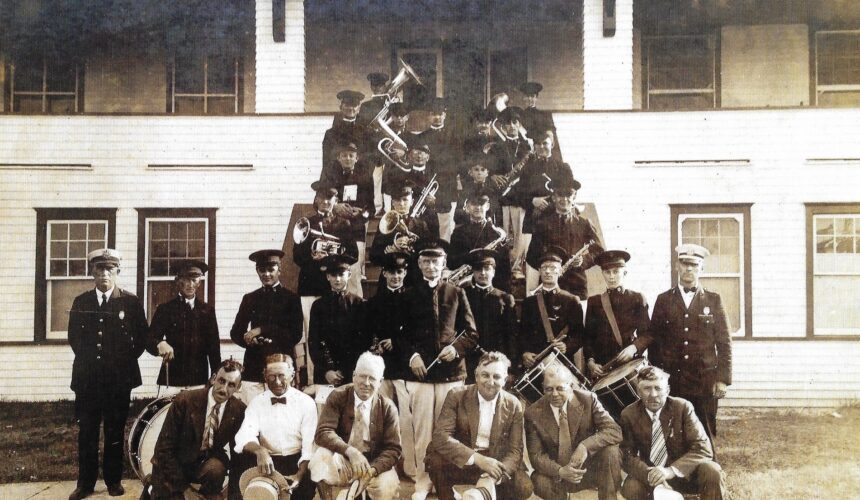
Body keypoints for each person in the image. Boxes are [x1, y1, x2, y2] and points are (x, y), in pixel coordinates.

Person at [400, 239, 479, 499]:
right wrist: (412, 357)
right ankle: (423, 481)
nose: (431, 266)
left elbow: (471, 333)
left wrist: (456, 350)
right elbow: (399, 335)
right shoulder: (408, 295)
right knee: (423, 430)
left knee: (449, 431)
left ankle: (446, 480)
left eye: (436, 262)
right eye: (426, 261)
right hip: (421, 375)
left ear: (443, 264)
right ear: (419, 264)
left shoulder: (457, 292)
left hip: (451, 375)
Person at [68, 249, 148, 500]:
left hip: (118, 381)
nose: (104, 274)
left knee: (115, 431)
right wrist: (95, 366)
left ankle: (114, 481)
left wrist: (119, 364)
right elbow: (75, 340)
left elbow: (141, 339)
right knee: (88, 432)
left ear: (117, 272)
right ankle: (85, 484)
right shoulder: (81, 302)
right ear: (92, 272)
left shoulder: (130, 302)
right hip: (88, 380)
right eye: (100, 269)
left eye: (109, 269)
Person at [643, 244, 732, 446]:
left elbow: (724, 343)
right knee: (671, 429)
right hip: (672, 379)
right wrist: (658, 375)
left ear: (702, 268)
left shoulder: (713, 300)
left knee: (705, 429)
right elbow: (654, 340)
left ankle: (710, 471)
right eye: (684, 264)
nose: (688, 269)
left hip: (704, 380)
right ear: (677, 266)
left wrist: (723, 379)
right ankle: (673, 474)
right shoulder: (664, 300)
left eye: (694, 264)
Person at [425, 352, 533, 500]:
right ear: (476, 376)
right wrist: (478, 459)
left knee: (523, 486)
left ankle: (481, 494)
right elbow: (441, 437)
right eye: (485, 375)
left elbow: (515, 451)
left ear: (505, 380)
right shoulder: (456, 395)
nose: (490, 381)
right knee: (435, 461)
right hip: (465, 459)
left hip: (494, 462)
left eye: (496, 377)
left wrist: (492, 476)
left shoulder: (513, 404)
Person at [619, 366, 726, 500]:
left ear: (667, 390)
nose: (653, 394)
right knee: (631, 487)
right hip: (650, 477)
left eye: (658, 388)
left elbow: (703, 448)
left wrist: (670, 471)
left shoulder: (682, 408)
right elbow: (626, 455)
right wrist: (650, 474)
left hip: (684, 474)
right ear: (638, 391)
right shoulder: (629, 414)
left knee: (712, 471)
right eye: (647, 388)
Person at [149, 359, 246, 500]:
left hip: (203, 466)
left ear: (238, 387)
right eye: (221, 381)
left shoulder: (239, 410)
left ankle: (209, 493)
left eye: (231, 385)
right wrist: (185, 490)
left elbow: (238, 456)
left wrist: (235, 496)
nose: (224, 389)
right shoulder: (184, 401)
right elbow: (163, 450)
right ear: (213, 379)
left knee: (216, 468)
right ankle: (153, 488)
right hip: (172, 466)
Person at [309, 352, 401, 500]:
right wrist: (350, 452)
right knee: (320, 458)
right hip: (345, 458)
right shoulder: (338, 396)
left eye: (372, 378)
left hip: (374, 463)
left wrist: (372, 470)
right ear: (353, 376)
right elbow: (323, 432)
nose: (366, 382)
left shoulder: (388, 407)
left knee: (388, 486)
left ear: (381, 381)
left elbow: (394, 449)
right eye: (362, 376)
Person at [524, 363, 622, 500]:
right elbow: (536, 456)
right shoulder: (532, 412)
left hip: (588, 470)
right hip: (559, 474)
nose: (554, 394)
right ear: (543, 388)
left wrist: (585, 446)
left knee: (611, 451)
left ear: (570, 386)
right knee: (539, 480)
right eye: (549, 389)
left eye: (560, 388)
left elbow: (615, 430)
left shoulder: (588, 399)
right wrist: (560, 471)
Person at [234, 354, 318, 499]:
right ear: (265, 376)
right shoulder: (257, 402)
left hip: (299, 463)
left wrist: (299, 475)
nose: (277, 382)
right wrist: (260, 451)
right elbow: (244, 435)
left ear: (292, 375)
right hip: (268, 463)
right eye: (272, 376)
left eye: (281, 376)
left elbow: (309, 446)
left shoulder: (306, 403)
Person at [230, 249, 303, 396]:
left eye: (271, 269)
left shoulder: (292, 299)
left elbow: (295, 334)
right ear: (257, 271)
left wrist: (261, 330)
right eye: (262, 270)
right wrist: (249, 341)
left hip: (281, 367)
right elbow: (236, 332)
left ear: (279, 269)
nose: (266, 274)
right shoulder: (250, 298)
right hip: (254, 367)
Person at [525, 174, 604, 299]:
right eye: (560, 195)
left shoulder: (584, 224)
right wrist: (547, 267)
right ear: (554, 197)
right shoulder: (542, 224)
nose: (564, 199)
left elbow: (599, 252)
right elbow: (531, 256)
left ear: (574, 197)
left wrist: (584, 261)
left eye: (569, 195)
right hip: (549, 284)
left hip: (577, 285)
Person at [502, 132, 568, 280]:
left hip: (555, 217)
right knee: (532, 260)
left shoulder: (563, 167)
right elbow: (517, 194)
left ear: (552, 144)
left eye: (545, 143)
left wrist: (550, 201)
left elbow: (568, 193)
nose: (542, 147)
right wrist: (533, 201)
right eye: (538, 144)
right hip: (533, 218)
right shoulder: (528, 168)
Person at [147, 259, 220, 390]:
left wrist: (215, 375)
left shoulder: (207, 311)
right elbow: (149, 340)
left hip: (199, 379)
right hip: (172, 379)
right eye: (185, 280)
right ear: (177, 281)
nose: (190, 284)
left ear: (199, 282)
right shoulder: (165, 309)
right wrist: (159, 343)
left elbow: (214, 348)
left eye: (194, 280)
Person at [584, 250, 651, 381]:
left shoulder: (636, 298)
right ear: (603, 274)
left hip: (629, 365)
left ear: (624, 273)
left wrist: (634, 348)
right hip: (603, 368)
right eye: (607, 272)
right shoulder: (594, 301)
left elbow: (647, 333)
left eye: (616, 272)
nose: (611, 276)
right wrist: (590, 362)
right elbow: (588, 337)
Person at [519, 247, 584, 372]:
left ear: (560, 271)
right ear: (539, 271)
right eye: (544, 268)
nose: (548, 271)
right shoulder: (529, 302)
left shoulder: (571, 300)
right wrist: (525, 353)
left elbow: (579, 334)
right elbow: (522, 333)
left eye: (553, 268)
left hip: (562, 362)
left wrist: (567, 346)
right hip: (536, 363)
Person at [307, 254, 369, 386]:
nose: (338, 279)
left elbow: (363, 342)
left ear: (349, 274)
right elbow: (314, 341)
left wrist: (345, 371)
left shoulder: (360, 304)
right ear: (327, 276)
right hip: (325, 375)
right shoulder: (318, 306)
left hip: (351, 373)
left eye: (342, 274)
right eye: (333, 275)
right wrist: (326, 371)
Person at [319, 142, 374, 290]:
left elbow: (372, 209)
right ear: (338, 158)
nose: (348, 158)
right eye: (344, 155)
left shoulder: (366, 179)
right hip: (334, 232)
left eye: (351, 155)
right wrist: (335, 207)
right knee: (334, 273)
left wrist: (361, 214)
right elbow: (317, 203)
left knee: (354, 273)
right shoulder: (330, 177)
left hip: (356, 232)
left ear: (357, 158)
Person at [459, 249, 517, 382]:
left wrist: (510, 365)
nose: (483, 273)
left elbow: (511, 333)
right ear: (473, 271)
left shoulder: (505, 298)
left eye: (487, 269)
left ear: (494, 272)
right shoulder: (463, 294)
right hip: (469, 358)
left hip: (496, 357)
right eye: (478, 269)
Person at [364, 252, 411, 400]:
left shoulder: (414, 299)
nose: (395, 276)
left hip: (405, 362)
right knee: (383, 406)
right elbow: (369, 329)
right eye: (391, 272)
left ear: (405, 273)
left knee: (406, 410)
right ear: (384, 273)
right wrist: (374, 346)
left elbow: (416, 329)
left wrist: (396, 342)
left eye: (399, 272)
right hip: (383, 361)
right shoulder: (374, 302)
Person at [369, 180, 433, 286]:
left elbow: (428, 252)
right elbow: (373, 257)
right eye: (398, 200)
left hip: (414, 278)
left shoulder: (421, 224)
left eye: (405, 200)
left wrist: (411, 247)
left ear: (412, 201)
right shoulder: (385, 222)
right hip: (390, 278)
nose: (401, 204)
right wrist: (391, 250)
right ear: (393, 202)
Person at [449, 186, 511, 291]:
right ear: (467, 207)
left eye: (481, 204)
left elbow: (504, 268)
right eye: (474, 204)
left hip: (491, 285)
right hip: (464, 287)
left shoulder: (497, 234)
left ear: (487, 206)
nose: (478, 207)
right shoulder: (458, 233)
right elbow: (451, 262)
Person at [417, 97, 460, 241]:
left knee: (446, 226)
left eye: (440, 114)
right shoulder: (422, 137)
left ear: (445, 115)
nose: (437, 117)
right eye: (433, 114)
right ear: (429, 116)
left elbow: (457, 162)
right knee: (427, 226)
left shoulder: (454, 136)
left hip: (448, 186)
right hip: (428, 184)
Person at [322, 89, 369, 169]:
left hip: (359, 177)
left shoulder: (366, 132)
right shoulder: (330, 133)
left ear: (359, 109)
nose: (350, 108)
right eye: (347, 105)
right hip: (337, 176)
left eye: (354, 105)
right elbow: (327, 161)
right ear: (341, 107)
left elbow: (367, 159)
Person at [454, 155, 503, 227]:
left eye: (483, 170)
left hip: (487, 223)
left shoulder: (491, 189)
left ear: (487, 173)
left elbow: (493, 209)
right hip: (467, 222)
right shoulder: (466, 188)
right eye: (476, 170)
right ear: (470, 172)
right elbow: (460, 208)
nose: (479, 173)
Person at [517, 81, 559, 159]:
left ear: (536, 98)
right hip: (523, 153)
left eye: (532, 96)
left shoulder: (544, 116)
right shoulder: (519, 116)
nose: (530, 99)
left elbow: (550, 134)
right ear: (523, 98)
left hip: (540, 152)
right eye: (527, 96)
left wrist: (550, 134)